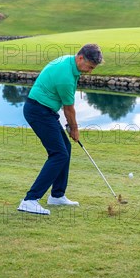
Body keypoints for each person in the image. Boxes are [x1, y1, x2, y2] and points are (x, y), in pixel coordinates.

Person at [18, 44, 104, 215]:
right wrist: (74, 129)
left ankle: (57, 195)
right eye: (90, 67)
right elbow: (69, 109)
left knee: (65, 148)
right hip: (38, 111)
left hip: (45, 111)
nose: (90, 71)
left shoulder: (69, 63)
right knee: (59, 154)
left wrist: (70, 127)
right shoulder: (66, 76)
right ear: (80, 58)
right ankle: (30, 200)